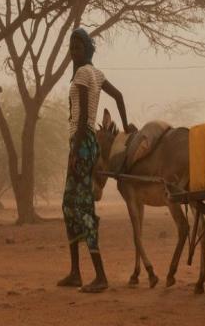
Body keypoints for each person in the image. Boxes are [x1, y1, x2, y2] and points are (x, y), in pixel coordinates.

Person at [57, 27, 132, 293]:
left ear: (87, 49)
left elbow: (82, 118)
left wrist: (75, 153)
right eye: (71, 47)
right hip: (86, 143)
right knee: (69, 205)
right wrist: (126, 124)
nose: (73, 51)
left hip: (82, 143)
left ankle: (100, 276)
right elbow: (119, 96)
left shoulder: (81, 74)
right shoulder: (97, 74)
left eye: (78, 47)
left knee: (82, 206)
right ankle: (76, 272)